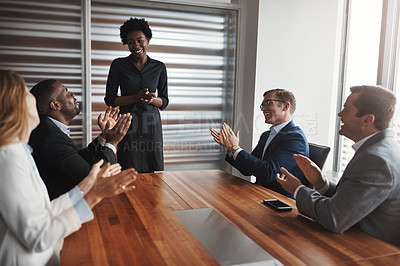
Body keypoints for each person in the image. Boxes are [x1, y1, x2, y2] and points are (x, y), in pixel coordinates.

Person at [0, 69, 137, 265]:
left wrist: (86, 185)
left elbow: (44, 211)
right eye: (25, 94)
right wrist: (93, 195)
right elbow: (38, 237)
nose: (31, 98)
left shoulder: (19, 150)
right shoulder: (8, 158)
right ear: (14, 106)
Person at [276, 85, 400, 247]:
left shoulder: (376, 159)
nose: (340, 114)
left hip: (366, 252)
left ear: (367, 120)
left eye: (346, 110)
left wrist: (298, 189)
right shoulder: (381, 148)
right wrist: (322, 183)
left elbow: (334, 217)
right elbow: (351, 201)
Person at [29, 79, 132, 200]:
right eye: (66, 92)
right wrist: (112, 142)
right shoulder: (50, 136)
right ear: (55, 105)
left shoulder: (48, 129)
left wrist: (105, 136)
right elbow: (92, 180)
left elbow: (76, 161)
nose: (72, 95)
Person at [210, 88, 309, 198]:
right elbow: (248, 170)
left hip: (279, 201)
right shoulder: (267, 135)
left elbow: (268, 173)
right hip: (260, 194)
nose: (263, 109)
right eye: (262, 105)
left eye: (268, 103)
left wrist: (235, 148)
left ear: (285, 106)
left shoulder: (295, 138)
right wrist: (230, 148)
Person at [105, 17, 169, 173]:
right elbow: (110, 99)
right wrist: (136, 98)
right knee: (128, 167)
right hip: (127, 125)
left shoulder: (159, 67)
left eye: (140, 40)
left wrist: (152, 99)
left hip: (151, 125)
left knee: (153, 169)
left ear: (147, 40)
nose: (135, 46)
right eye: (130, 42)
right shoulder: (118, 65)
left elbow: (165, 101)